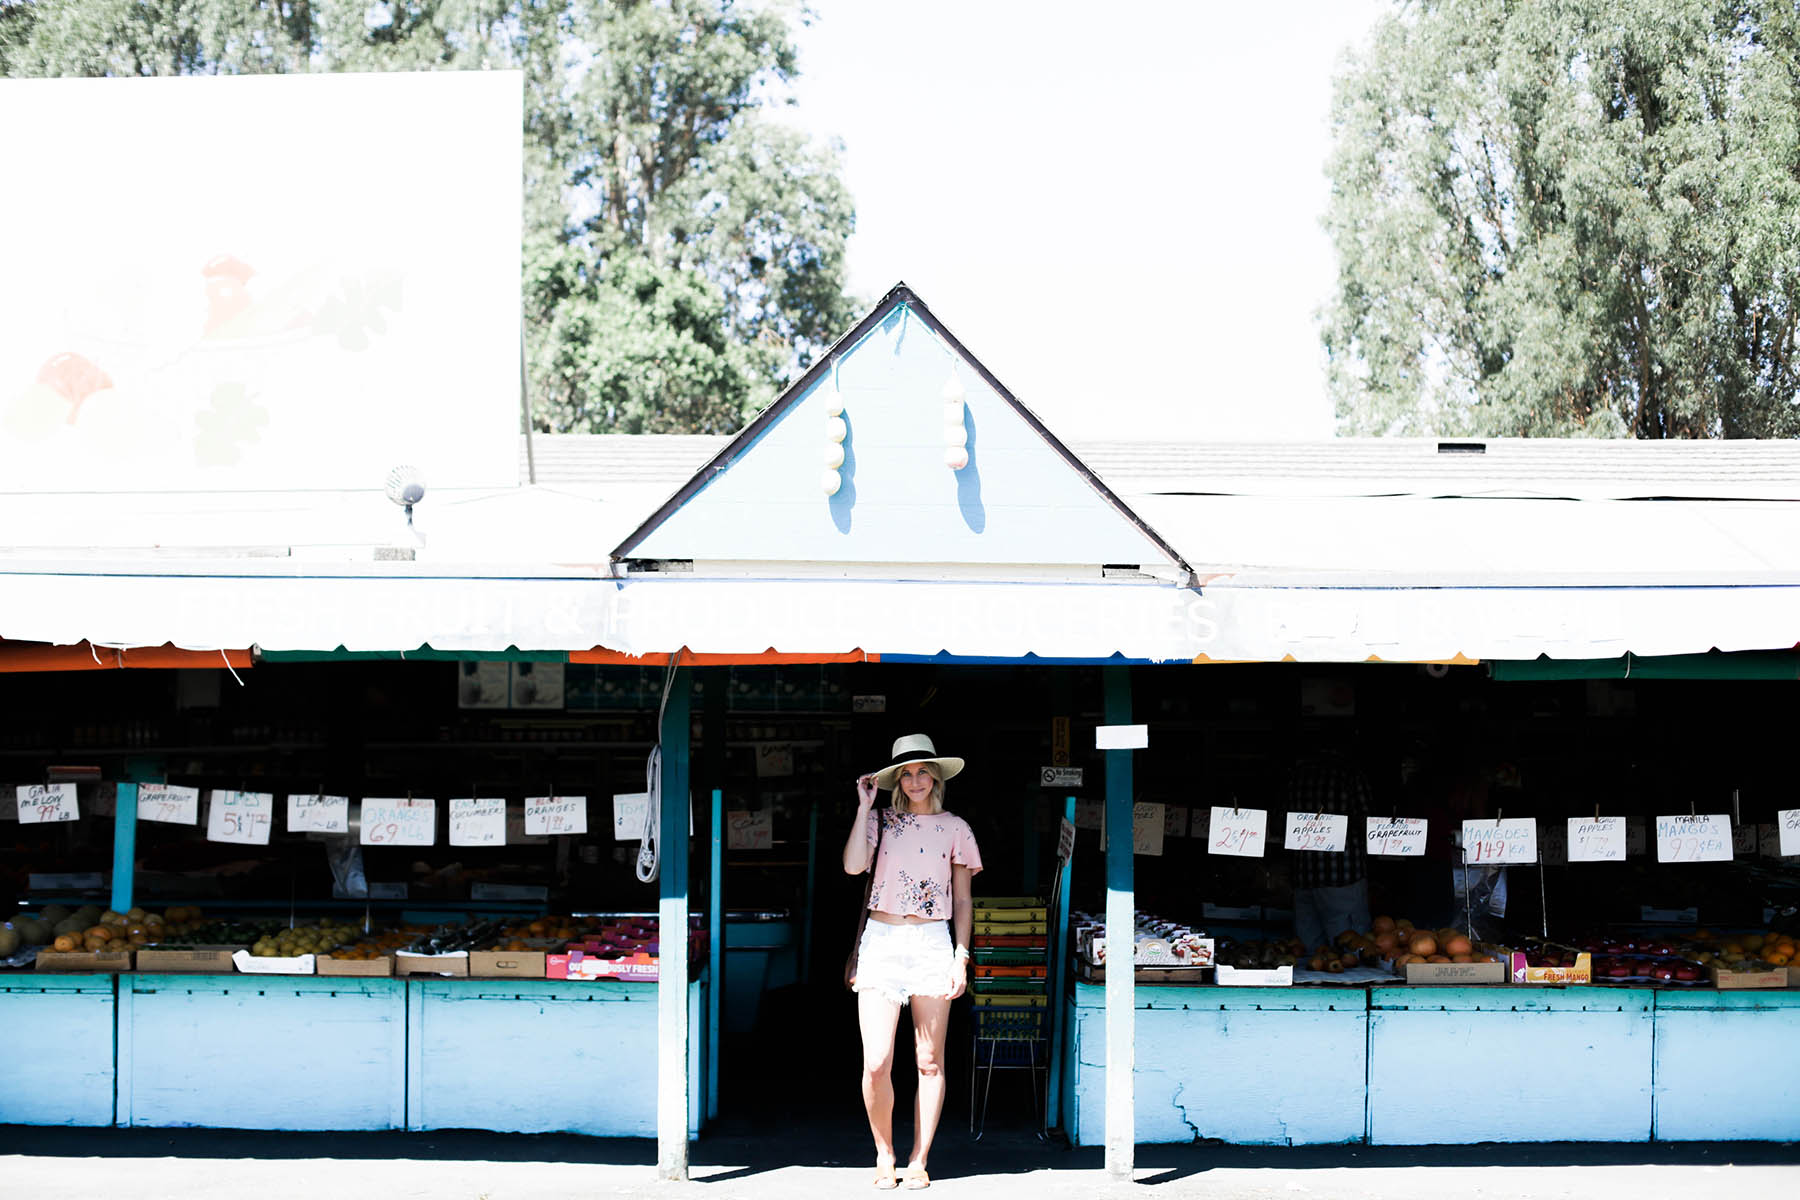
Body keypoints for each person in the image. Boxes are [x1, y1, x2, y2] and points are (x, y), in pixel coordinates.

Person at [842, 734, 982, 1191]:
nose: (916, 779)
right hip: (882, 941)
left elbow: (963, 901)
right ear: (896, 780)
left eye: (924, 771)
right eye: (907, 772)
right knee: (877, 1060)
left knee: (928, 1060)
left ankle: (919, 1159)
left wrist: (961, 957)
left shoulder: (956, 828)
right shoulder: (881, 821)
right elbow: (851, 867)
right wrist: (864, 807)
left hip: (931, 942)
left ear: (936, 777)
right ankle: (885, 1153)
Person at [1287, 732, 1373, 953]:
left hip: (1304, 874)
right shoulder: (1350, 773)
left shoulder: (1298, 774)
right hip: (1342, 876)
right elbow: (1366, 823)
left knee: (1309, 951)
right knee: (1351, 949)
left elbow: (1282, 821)